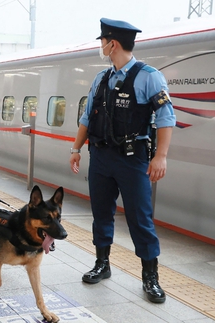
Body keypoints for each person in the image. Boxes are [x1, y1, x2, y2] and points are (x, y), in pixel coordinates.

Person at [69, 18, 176, 304]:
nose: (101, 46)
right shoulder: (101, 78)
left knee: (139, 218)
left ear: (112, 43)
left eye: (103, 41)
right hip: (101, 157)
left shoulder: (149, 76)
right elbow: (87, 115)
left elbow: (166, 118)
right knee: (101, 212)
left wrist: (160, 156)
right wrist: (76, 148)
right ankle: (102, 264)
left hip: (132, 160)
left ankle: (150, 277)